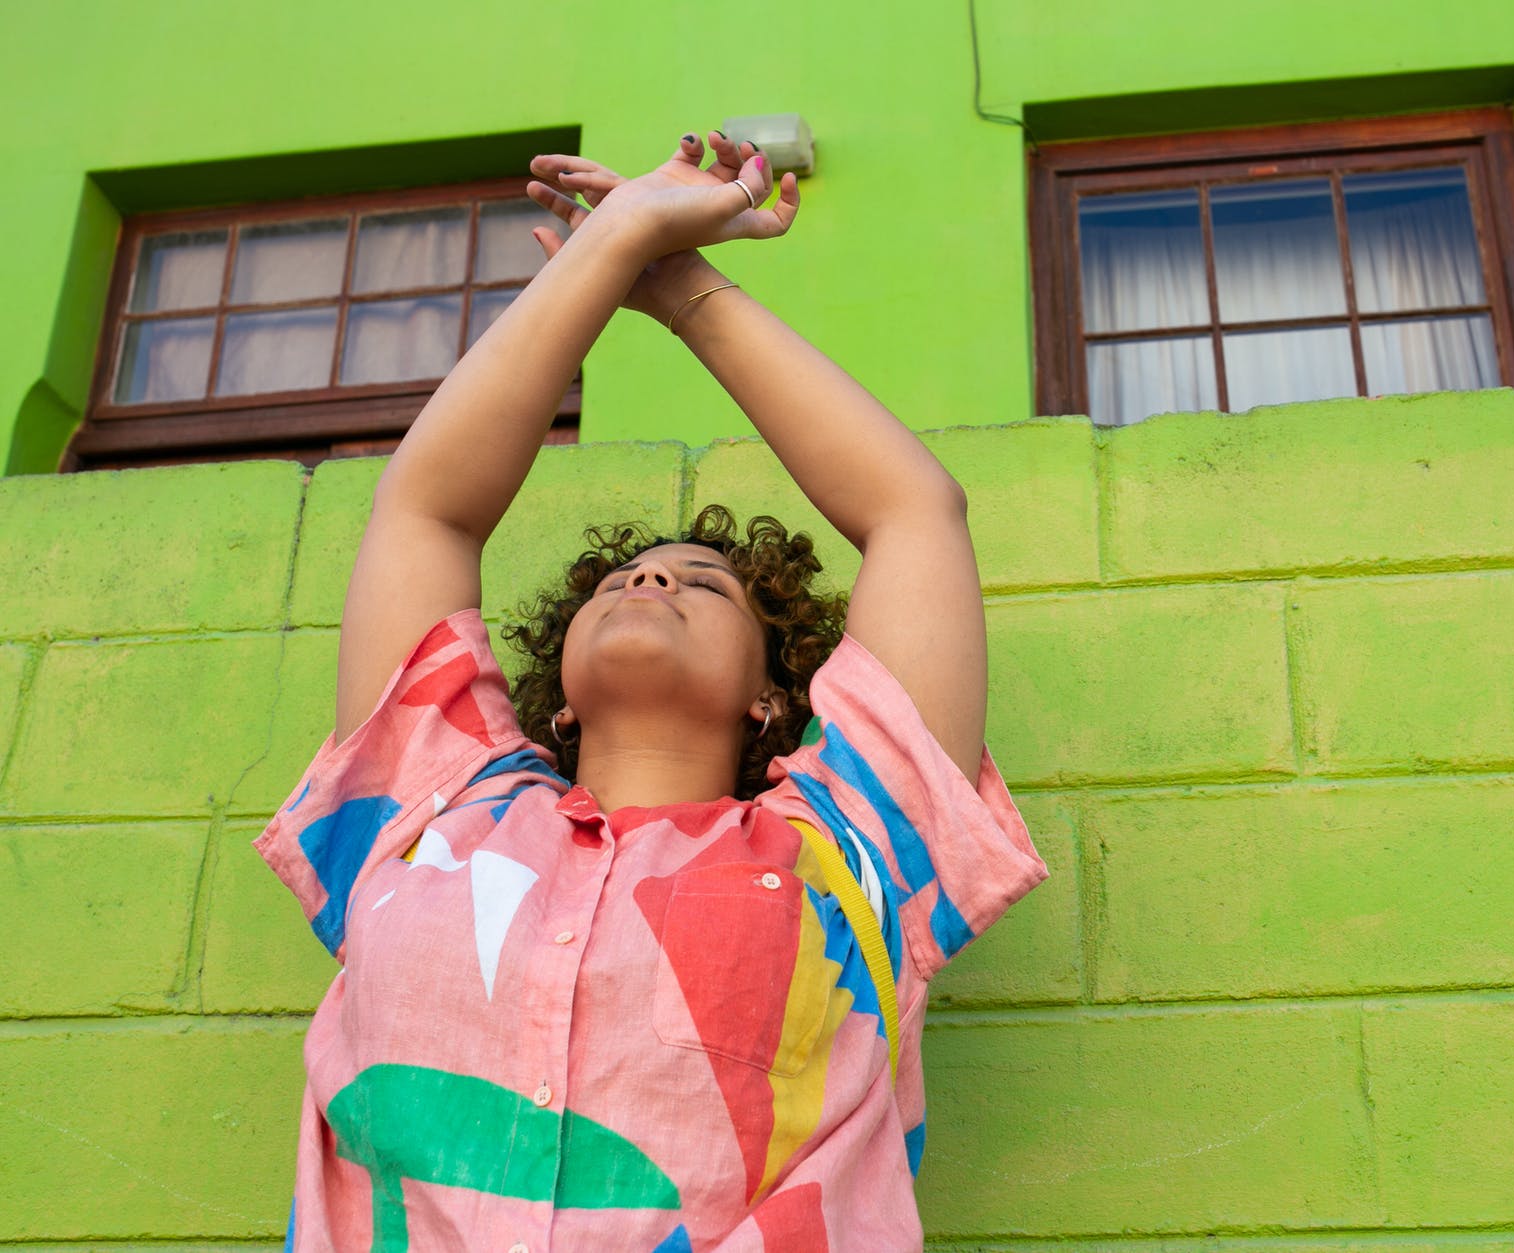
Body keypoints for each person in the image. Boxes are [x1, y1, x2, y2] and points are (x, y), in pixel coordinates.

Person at [254, 128, 1048, 1250]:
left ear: (769, 699)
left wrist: (681, 287)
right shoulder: (432, 802)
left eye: (700, 585)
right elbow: (425, 507)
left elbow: (913, 512)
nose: (650, 576)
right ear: (560, 696)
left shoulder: (853, 842)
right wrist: (619, 237)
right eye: (625, 577)